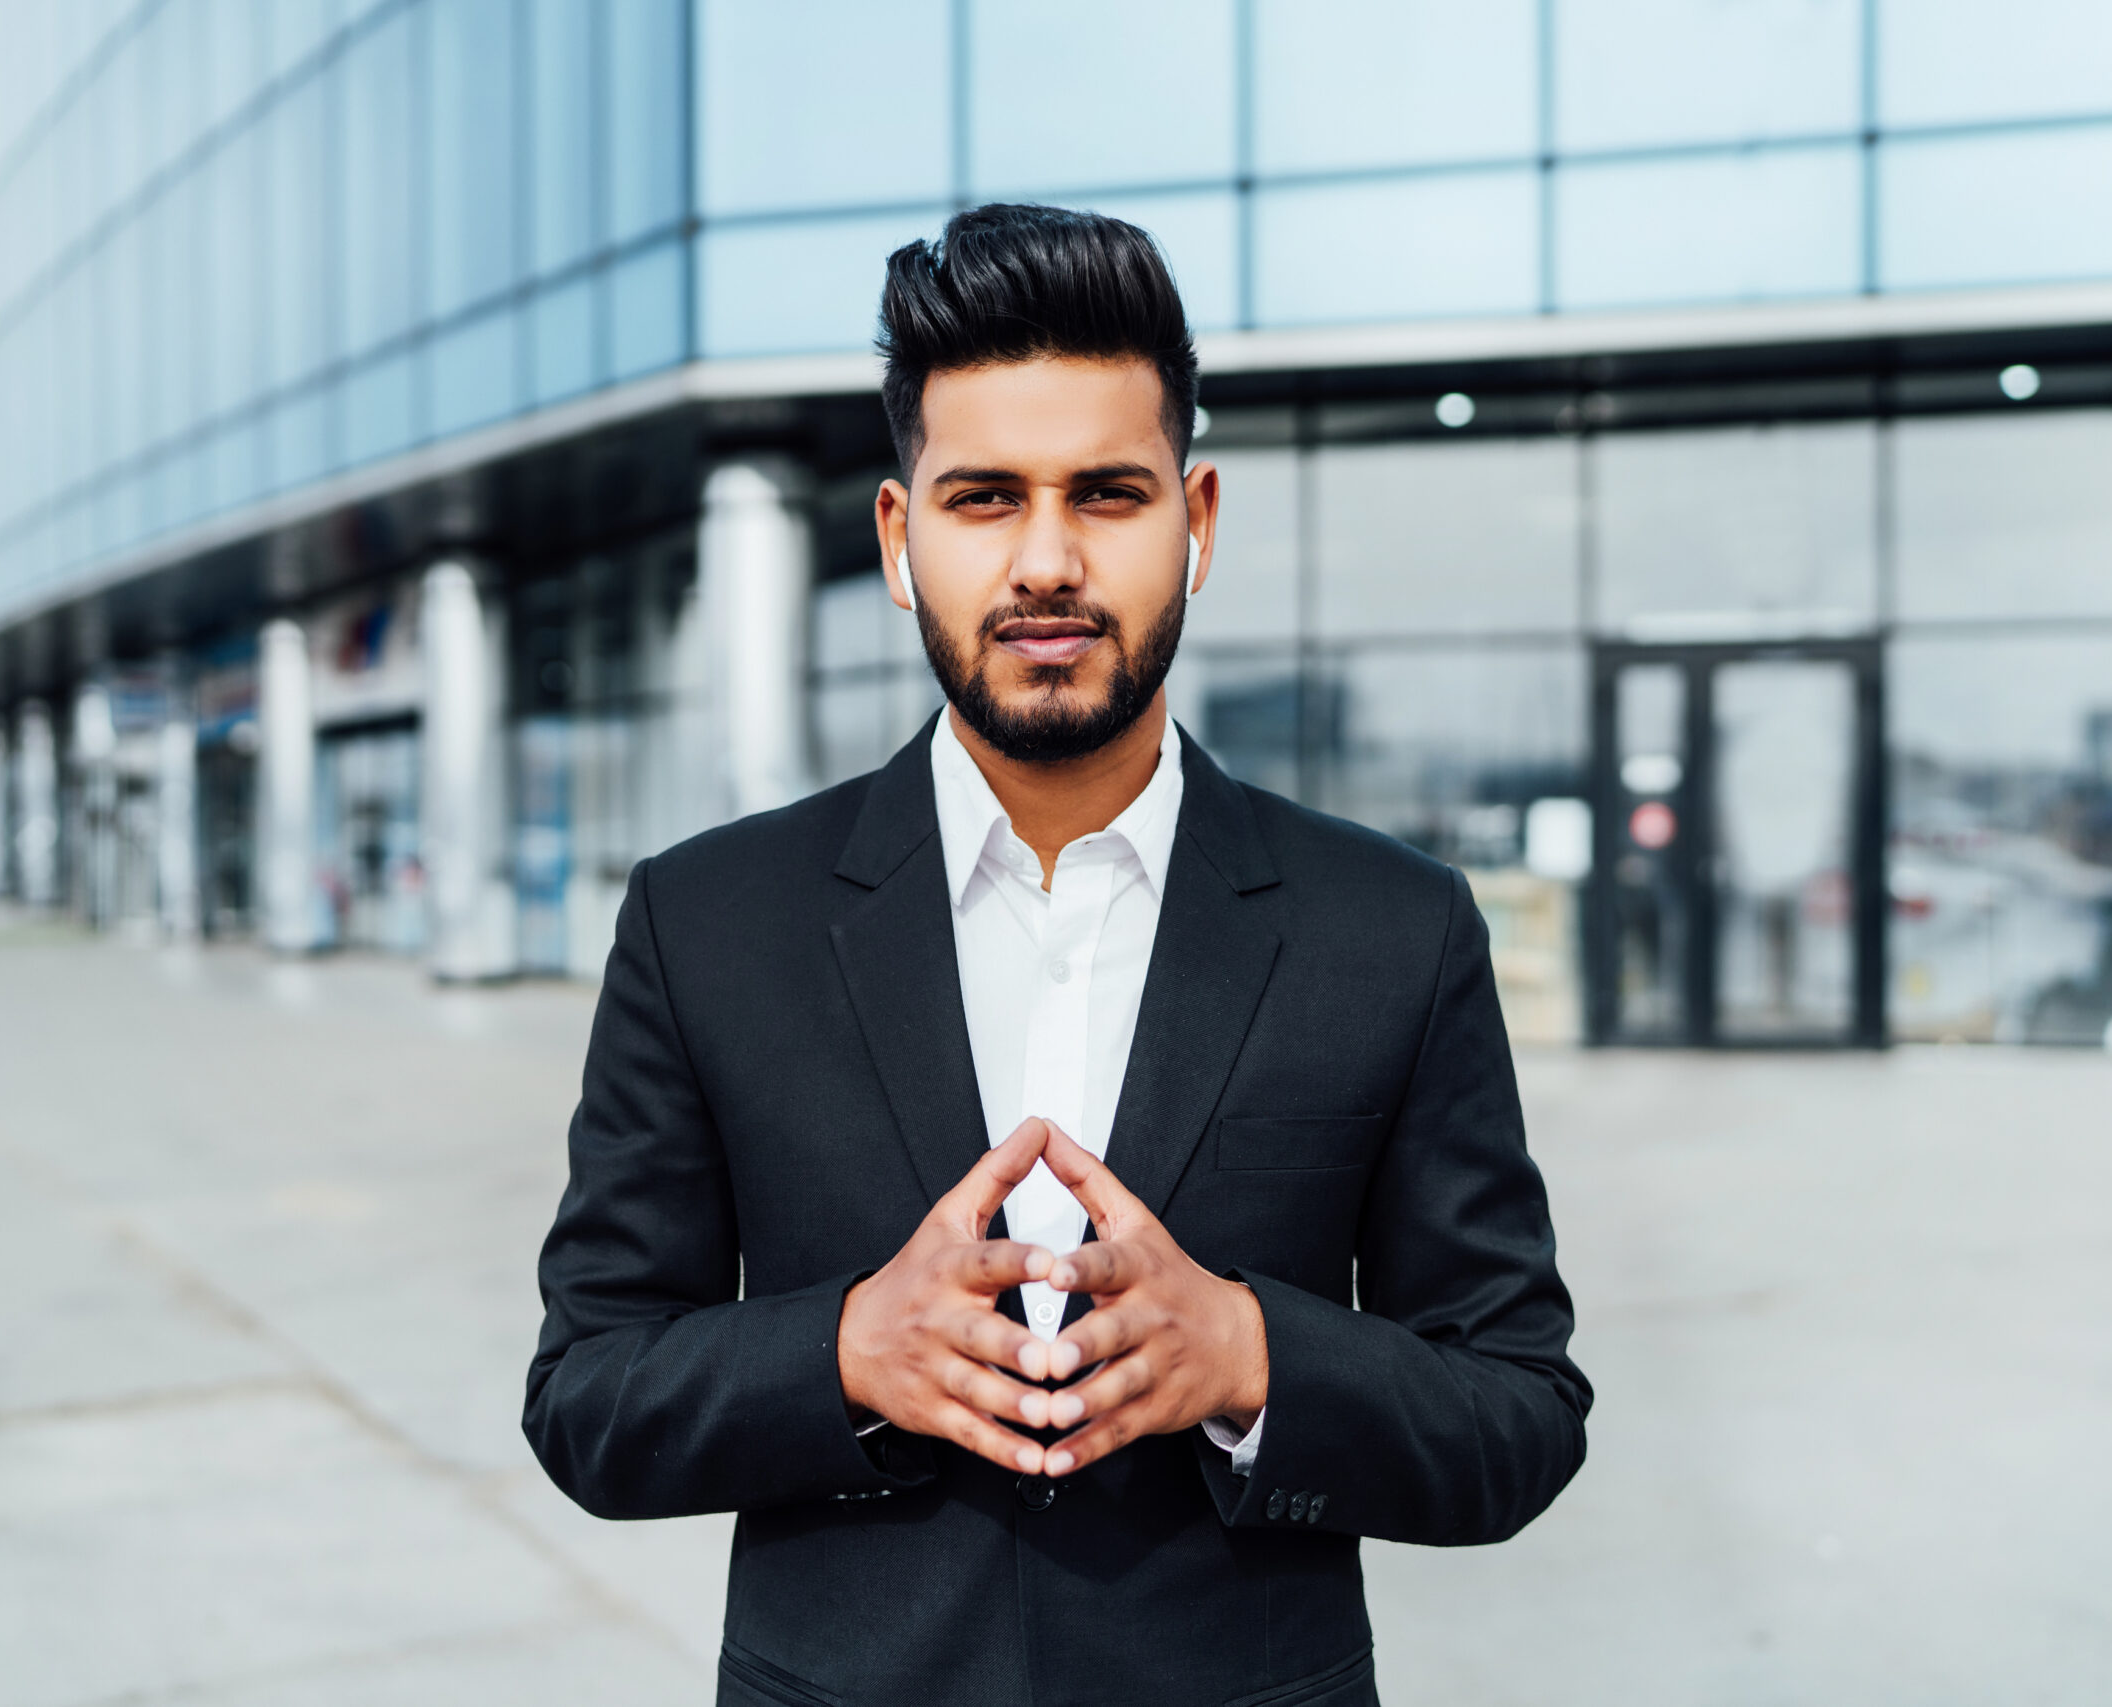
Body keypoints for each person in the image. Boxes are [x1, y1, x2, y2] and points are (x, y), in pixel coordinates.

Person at [525, 203, 1588, 1707]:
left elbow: (1520, 1414)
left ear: (1196, 521)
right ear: (900, 541)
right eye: (982, 499)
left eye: (1105, 493)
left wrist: (1248, 1352)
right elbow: (587, 1398)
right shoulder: (708, 923)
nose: (1045, 560)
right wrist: (842, 1350)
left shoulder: (1391, 930)